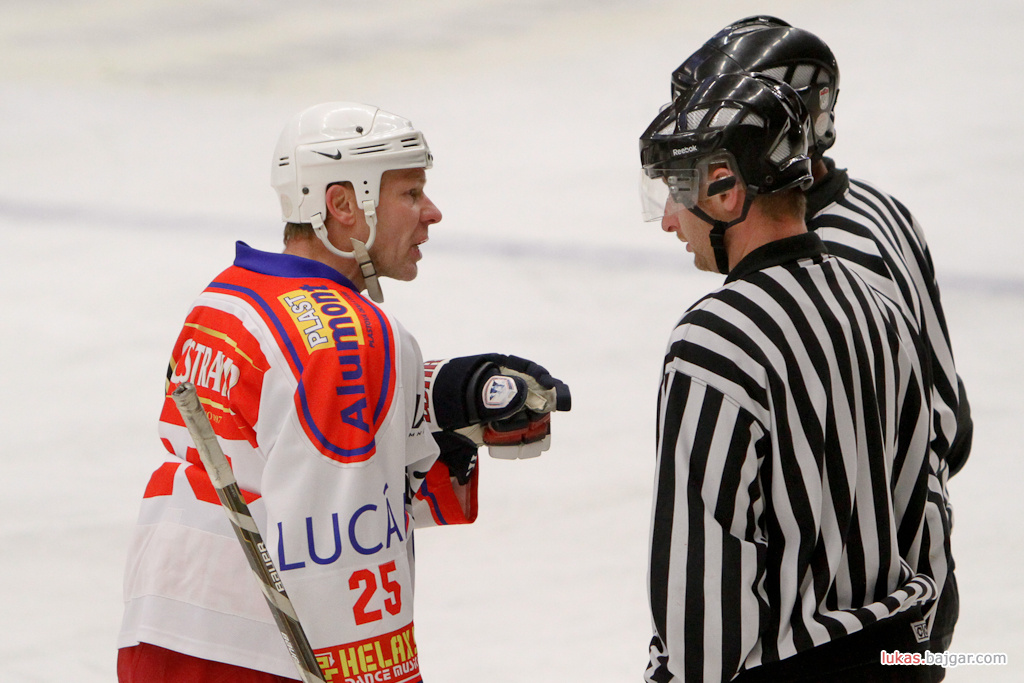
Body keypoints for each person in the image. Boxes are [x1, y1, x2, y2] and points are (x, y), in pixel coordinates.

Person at [117, 102, 570, 682]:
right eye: (410, 193)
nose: (431, 212)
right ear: (343, 204)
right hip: (261, 656)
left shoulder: (227, 298)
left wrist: (434, 397)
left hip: (161, 628)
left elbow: (279, 452)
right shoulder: (357, 336)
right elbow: (341, 538)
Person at [668, 18, 967, 661]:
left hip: (839, 626)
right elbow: (949, 426)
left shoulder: (812, 272)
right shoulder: (882, 211)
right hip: (911, 604)